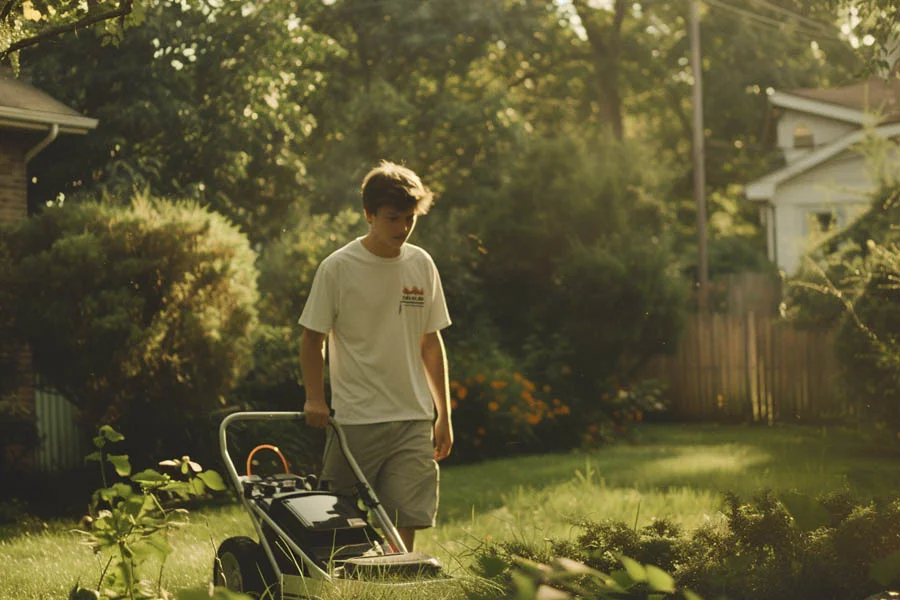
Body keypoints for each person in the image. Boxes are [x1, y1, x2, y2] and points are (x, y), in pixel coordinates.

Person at [298, 160, 453, 552]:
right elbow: (312, 339)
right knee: (336, 513)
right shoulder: (337, 268)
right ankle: (342, 577)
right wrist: (315, 398)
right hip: (357, 417)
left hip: (413, 416)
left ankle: (395, 578)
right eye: (392, 218)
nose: (402, 228)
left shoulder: (421, 263)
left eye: (410, 218)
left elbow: (430, 343)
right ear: (369, 214)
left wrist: (443, 415)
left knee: (405, 515)